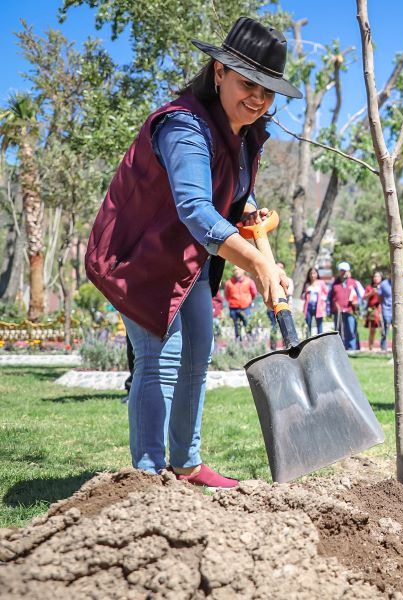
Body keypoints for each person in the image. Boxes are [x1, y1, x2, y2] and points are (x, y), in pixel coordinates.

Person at [84, 17, 301, 489]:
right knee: (161, 355)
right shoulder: (184, 126)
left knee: (197, 353)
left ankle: (185, 463)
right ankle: (147, 476)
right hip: (139, 256)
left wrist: (259, 242)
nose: (259, 99)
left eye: (268, 91)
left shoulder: (244, 134)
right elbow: (197, 211)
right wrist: (258, 263)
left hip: (189, 260)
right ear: (219, 72)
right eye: (248, 83)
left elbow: (229, 201)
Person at [328, 261, 361, 350]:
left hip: (350, 311)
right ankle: (341, 350)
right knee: (338, 331)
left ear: (348, 271)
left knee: (350, 330)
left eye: (345, 270)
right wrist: (329, 310)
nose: (343, 272)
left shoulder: (354, 283)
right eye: (341, 271)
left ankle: (351, 349)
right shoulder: (334, 283)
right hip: (337, 312)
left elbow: (360, 296)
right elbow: (329, 298)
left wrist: (358, 307)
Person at [265, 261, 293, 349]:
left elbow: (288, 293)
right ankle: (273, 347)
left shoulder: (288, 280)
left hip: (284, 308)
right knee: (273, 327)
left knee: (285, 328)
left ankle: (287, 346)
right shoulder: (269, 280)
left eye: (281, 267)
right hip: (272, 309)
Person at [224, 267, 257, 340]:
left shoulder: (249, 281)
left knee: (248, 325)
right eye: (234, 270)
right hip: (234, 308)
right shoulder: (229, 283)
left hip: (246, 308)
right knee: (237, 326)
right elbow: (226, 295)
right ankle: (238, 343)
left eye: (238, 269)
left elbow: (254, 293)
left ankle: (251, 342)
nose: (236, 271)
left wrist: (248, 301)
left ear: (243, 271)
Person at [301, 267, 328, 336]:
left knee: (319, 324)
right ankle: (308, 340)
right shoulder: (307, 284)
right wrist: (306, 292)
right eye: (311, 273)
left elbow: (326, 293)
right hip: (308, 307)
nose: (312, 275)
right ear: (309, 275)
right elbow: (302, 296)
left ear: (317, 274)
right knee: (308, 325)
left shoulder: (321, 283)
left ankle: (320, 341)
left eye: (314, 273)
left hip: (318, 306)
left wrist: (322, 299)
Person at [363, 271, 384, 351]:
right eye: (374, 276)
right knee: (372, 330)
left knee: (382, 330)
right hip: (372, 310)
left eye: (378, 276)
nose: (376, 278)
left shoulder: (384, 286)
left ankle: (383, 347)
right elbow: (364, 297)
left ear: (381, 278)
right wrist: (371, 293)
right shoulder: (369, 287)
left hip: (381, 310)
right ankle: (371, 347)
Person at [378, 272, 393, 351]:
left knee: (398, 330)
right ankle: (383, 348)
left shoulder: (400, 282)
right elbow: (380, 297)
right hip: (386, 309)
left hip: (397, 310)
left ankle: (396, 348)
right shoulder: (384, 284)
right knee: (385, 328)